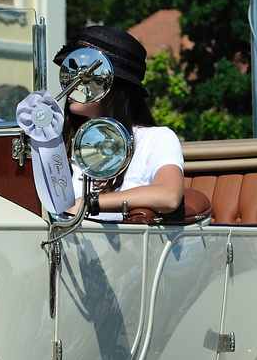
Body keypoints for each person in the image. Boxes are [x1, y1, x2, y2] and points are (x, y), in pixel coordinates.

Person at [59, 25, 184, 221]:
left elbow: (169, 196)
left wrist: (90, 203)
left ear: (113, 86)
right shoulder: (61, 140)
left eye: (86, 77)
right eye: (71, 73)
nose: (71, 83)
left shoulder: (155, 139)